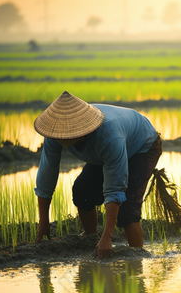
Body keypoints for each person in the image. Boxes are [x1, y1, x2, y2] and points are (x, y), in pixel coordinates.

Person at [34, 91, 162, 258]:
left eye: (68, 134)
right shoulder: (55, 134)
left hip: (142, 146)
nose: (62, 138)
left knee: (128, 207)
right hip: (110, 148)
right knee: (82, 190)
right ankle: (91, 238)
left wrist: (108, 237)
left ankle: (136, 258)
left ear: (81, 131)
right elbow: (46, 175)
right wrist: (43, 221)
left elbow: (114, 188)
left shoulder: (108, 137)